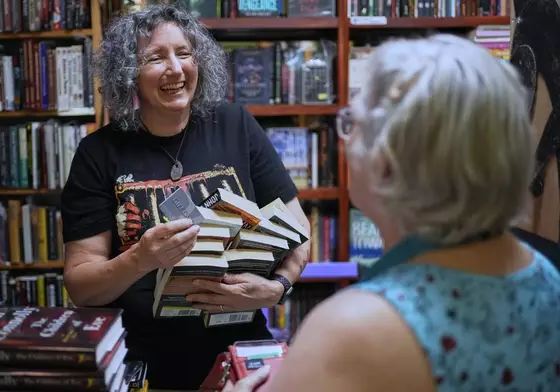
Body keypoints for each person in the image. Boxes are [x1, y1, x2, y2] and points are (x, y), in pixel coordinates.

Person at [225, 34, 560, 392]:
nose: (344, 139)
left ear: (386, 165)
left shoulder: (352, 330)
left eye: (353, 123)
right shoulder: (548, 280)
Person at [59, 3, 311, 390]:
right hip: (143, 362)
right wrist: (140, 259)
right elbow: (81, 285)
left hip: (239, 356)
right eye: (155, 57)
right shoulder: (98, 153)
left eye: (184, 53)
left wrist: (278, 288)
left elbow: (299, 233)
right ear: (129, 74)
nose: (175, 69)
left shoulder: (236, 125)